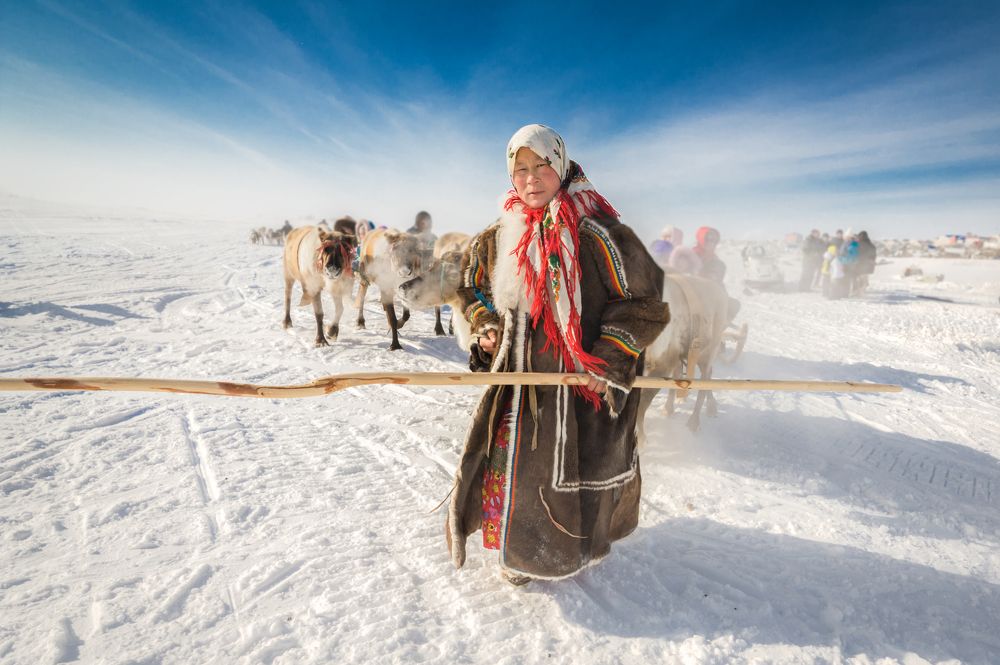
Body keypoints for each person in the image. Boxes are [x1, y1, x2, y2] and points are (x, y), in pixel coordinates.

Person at [445, 124, 670, 584]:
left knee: (571, 472)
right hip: (517, 385)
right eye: (520, 169)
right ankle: (518, 555)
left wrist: (606, 360)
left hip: (579, 388)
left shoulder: (599, 233)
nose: (530, 179)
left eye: (541, 166)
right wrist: (485, 329)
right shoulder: (497, 236)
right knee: (513, 466)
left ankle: (564, 552)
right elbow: (469, 292)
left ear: (560, 166)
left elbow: (645, 304)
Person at [852, 230, 877, 296]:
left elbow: (853, 250)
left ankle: (858, 292)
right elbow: (873, 254)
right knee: (863, 278)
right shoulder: (870, 244)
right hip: (868, 265)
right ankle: (862, 291)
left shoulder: (858, 243)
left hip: (859, 264)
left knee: (858, 278)